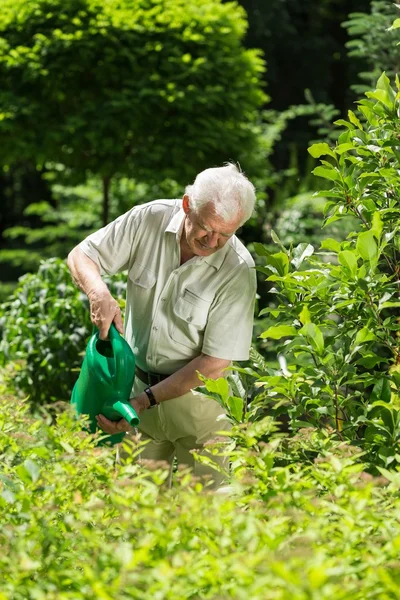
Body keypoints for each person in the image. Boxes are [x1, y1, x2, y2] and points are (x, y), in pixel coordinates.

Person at [67, 163, 257, 489]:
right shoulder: (147, 219)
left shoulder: (238, 270)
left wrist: (143, 402)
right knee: (133, 514)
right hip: (135, 387)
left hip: (200, 406)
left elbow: (214, 363)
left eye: (226, 234)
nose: (212, 242)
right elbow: (82, 255)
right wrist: (98, 293)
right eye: (206, 229)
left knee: (203, 521)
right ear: (187, 205)